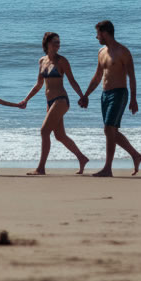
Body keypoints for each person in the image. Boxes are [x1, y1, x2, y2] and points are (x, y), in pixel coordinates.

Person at [19, 32, 89, 175]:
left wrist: (82, 96)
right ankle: (82, 158)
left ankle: (40, 168)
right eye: (55, 42)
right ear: (47, 44)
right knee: (60, 136)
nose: (58, 45)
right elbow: (38, 85)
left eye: (59, 42)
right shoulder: (42, 61)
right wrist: (26, 99)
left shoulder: (62, 61)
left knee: (44, 131)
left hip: (61, 100)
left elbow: (72, 80)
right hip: (49, 102)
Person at [81, 20, 141, 177]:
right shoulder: (101, 52)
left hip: (119, 93)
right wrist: (86, 95)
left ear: (105, 33)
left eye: (98, 34)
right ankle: (136, 155)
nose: (96, 37)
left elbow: (132, 77)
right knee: (110, 131)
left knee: (109, 128)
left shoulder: (123, 52)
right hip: (105, 94)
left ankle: (107, 168)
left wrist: (134, 99)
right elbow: (97, 77)